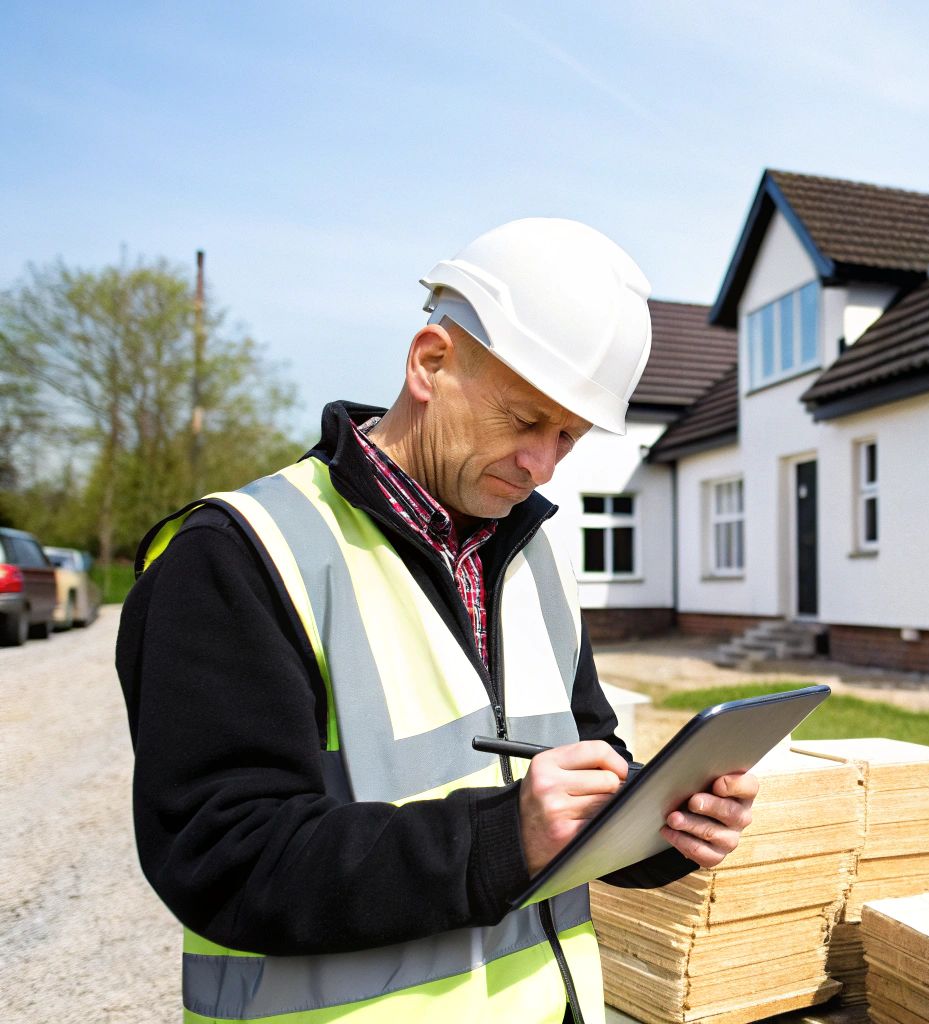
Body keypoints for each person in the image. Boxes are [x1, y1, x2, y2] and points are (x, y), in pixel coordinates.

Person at [116, 218, 758, 1024]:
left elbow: (588, 775)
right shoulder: (240, 554)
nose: (543, 464)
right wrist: (500, 840)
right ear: (430, 363)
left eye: (569, 436)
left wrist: (660, 828)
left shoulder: (536, 558)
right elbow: (220, 856)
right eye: (525, 421)